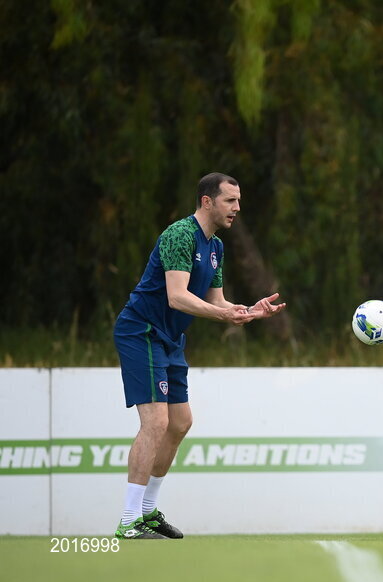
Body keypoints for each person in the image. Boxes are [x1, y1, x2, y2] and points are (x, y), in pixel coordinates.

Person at [112, 172, 286, 539]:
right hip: (141, 332)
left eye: (238, 201)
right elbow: (177, 296)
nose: (237, 208)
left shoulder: (216, 247)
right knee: (156, 422)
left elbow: (216, 303)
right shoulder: (178, 235)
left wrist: (246, 312)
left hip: (171, 339)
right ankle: (128, 521)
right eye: (230, 201)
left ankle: (147, 512)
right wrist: (222, 314)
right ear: (207, 201)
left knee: (180, 423)